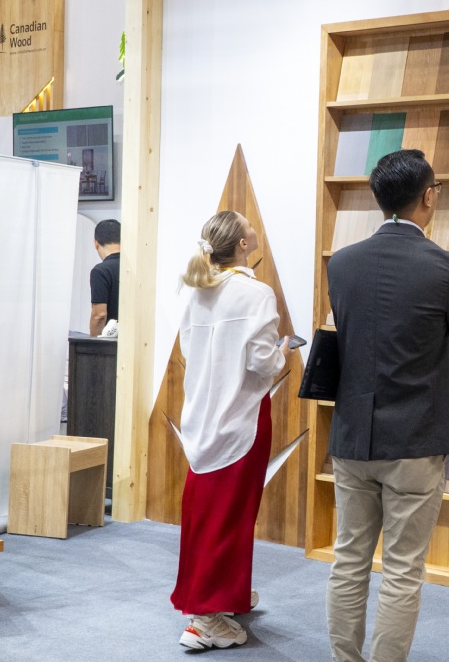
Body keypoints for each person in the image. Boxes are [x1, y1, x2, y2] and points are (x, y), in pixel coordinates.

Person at [325, 149, 449, 662]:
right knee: (403, 569)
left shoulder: (342, 264)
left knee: (348, 560)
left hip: (352, 436)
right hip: (415, 437)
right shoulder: (448, 270)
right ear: (428, 197)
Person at [171, 210, 295, 650]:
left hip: (202, 418)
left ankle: (221, 597)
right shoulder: (256, 293)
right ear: (243, 244)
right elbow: (262, 362)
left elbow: (191, 351)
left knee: (208, 514)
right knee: (231, 517)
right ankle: (205, 619)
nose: (253, 229)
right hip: (241, 418)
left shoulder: (198, 290)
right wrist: (283, 353)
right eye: (248, 226)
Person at [89, 219, 121, 336]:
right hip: (134, 340)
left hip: (110, 342)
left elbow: (99, 316)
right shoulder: (134, 268)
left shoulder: (100, 271)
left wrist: (93, 342)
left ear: (96, 243)